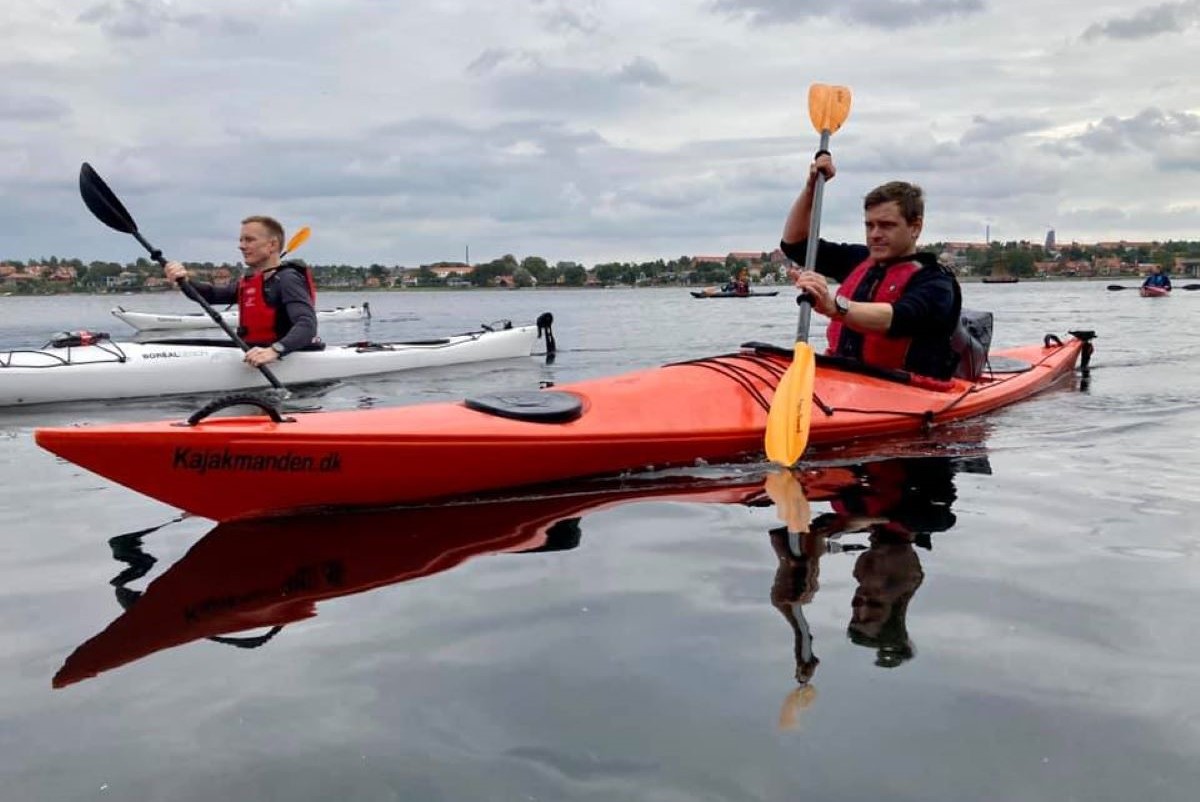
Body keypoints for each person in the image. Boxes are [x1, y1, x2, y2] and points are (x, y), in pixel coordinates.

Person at [781, 153, 963, 380]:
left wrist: (833, 306)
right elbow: (795, 245)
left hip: (908, 390)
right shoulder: (858, 259)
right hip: (845, 380)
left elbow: (898, 317)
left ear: (915, 227)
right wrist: (811, 190)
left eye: (886, 225)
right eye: (870, 225)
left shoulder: (936, 282)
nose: (875, 234)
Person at [163, 216, 320, 368]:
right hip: (253, 349)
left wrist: (275, 351)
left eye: (249, 240)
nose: (241, 246)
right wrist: (183, 280)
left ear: (272, 245)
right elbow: (211, 295)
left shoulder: (287, 279)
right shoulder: (252, 281)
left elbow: (307, 324)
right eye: (241, 240)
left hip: (284, 354)